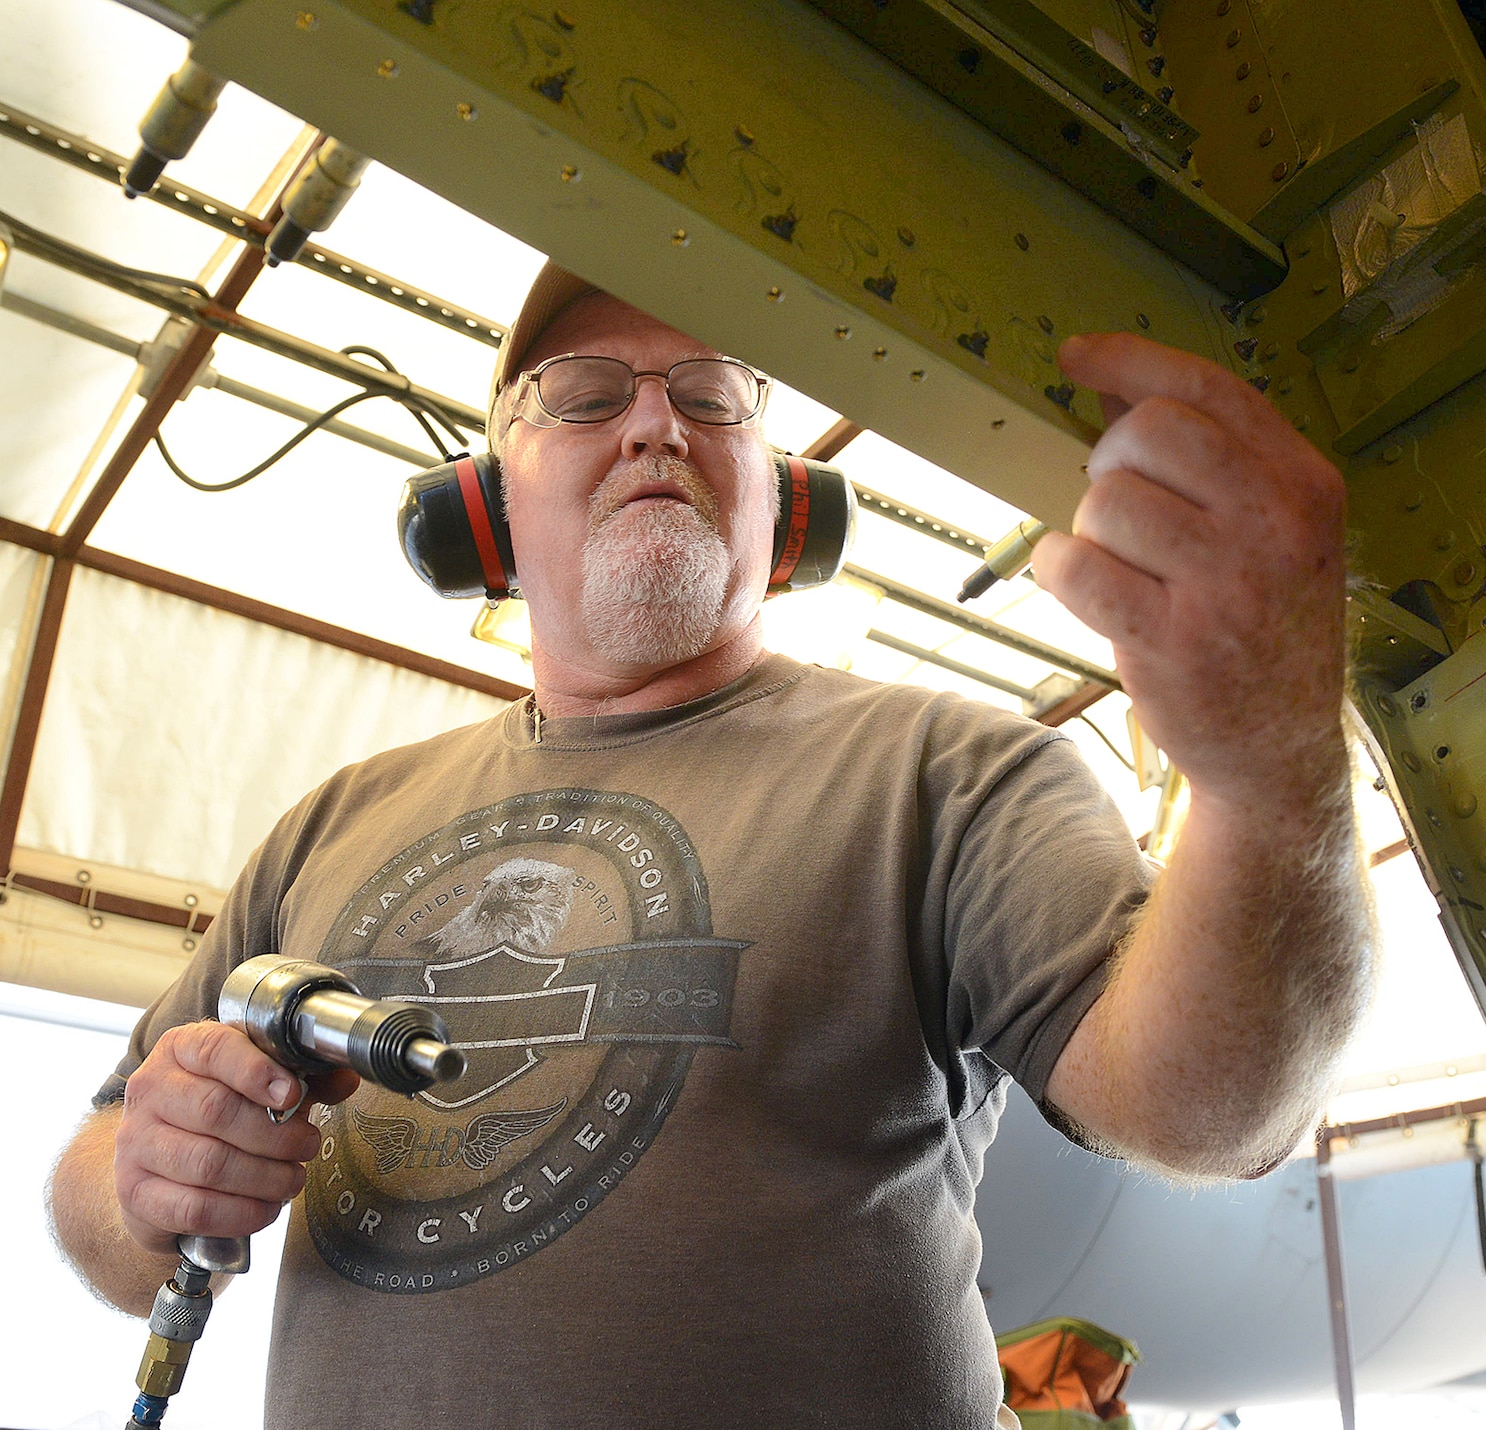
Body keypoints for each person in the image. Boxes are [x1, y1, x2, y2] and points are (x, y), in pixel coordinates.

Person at [47, 262, 1370, 1428]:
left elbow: (1214, 1108)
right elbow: (99, 1188)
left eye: (710, 390)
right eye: (581, 394)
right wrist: (150, 1173)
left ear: (788, 507)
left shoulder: (950, 769)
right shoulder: (329, 824)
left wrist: (1269, 778)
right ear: (487, 505)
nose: (653, 423)